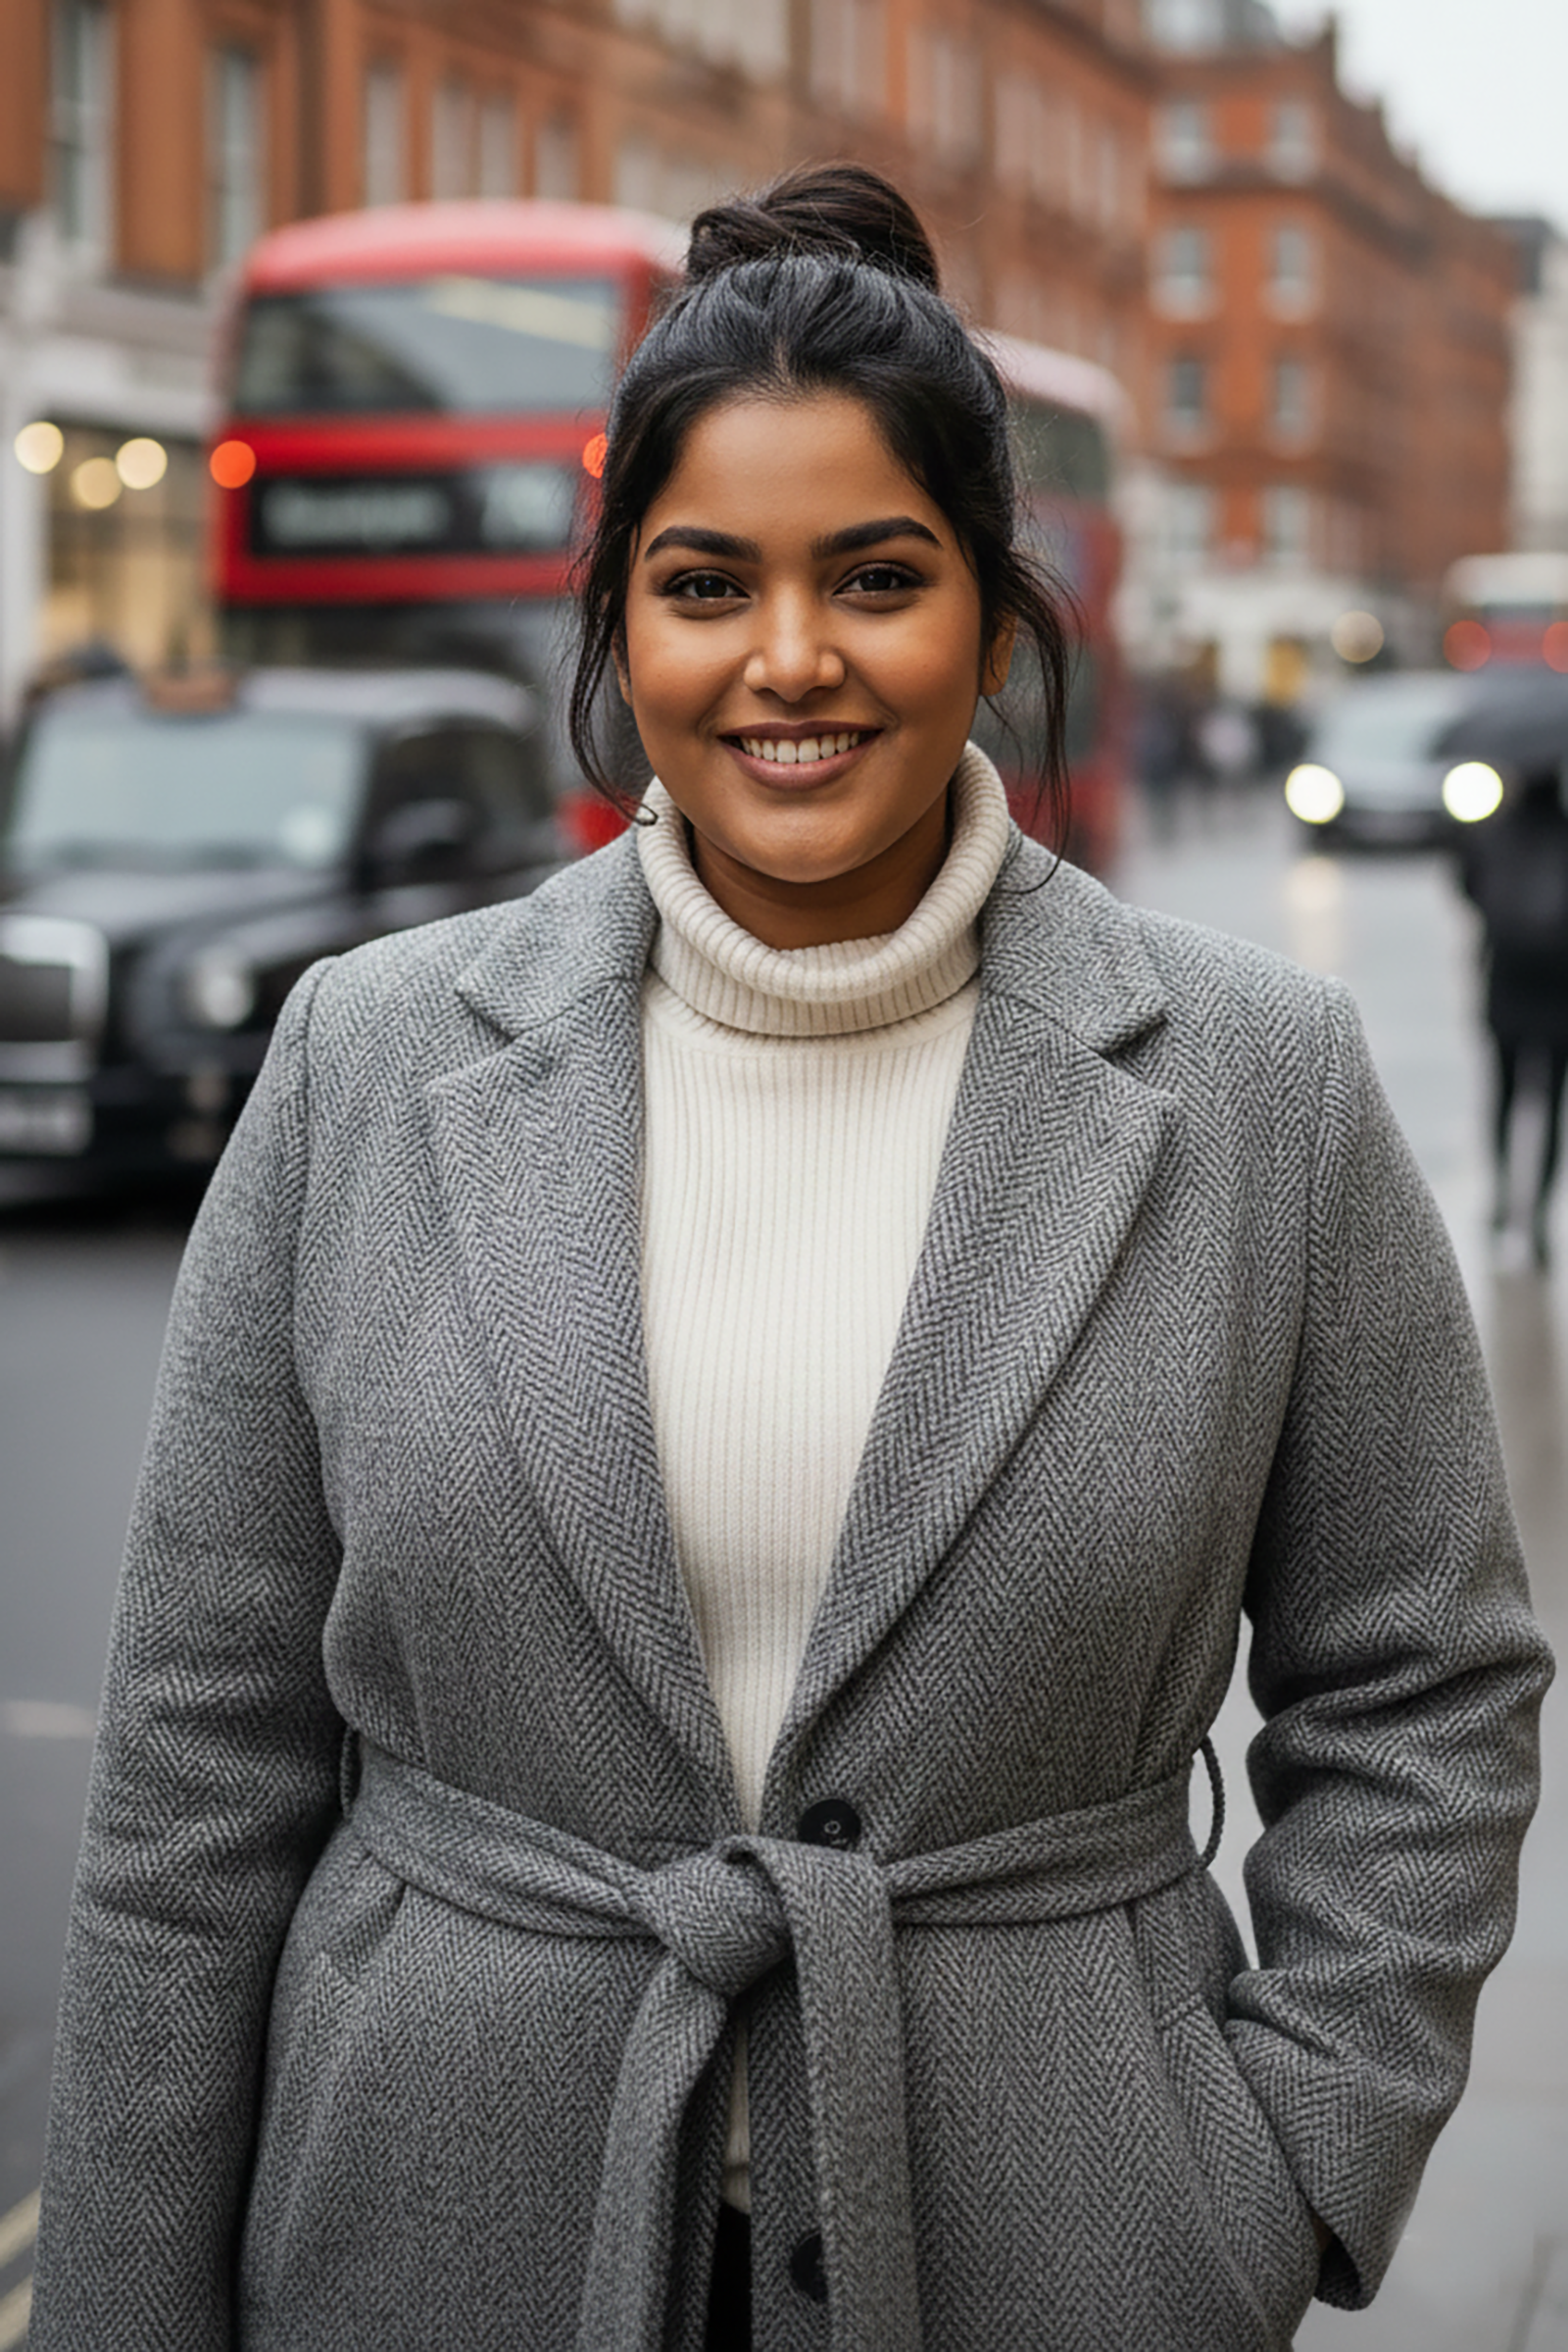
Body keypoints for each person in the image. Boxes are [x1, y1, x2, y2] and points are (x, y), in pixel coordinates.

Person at [32, 165, 1550, 2352]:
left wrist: (1283, 2156)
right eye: (703, 582)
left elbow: (1423, 1676)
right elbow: (195, 1772)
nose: (788, 659)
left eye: (872, 576)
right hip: (426, 2226)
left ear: (993, 618)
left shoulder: (1256, 1087)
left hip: (1062, 2242)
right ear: (618, 629)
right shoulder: (363, 1064)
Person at [1460, 762, 1568, 1266]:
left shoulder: (1495, 832)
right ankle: (1540, 1214)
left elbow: (1470, 891)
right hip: (1560, 985)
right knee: (1552, 1104)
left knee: (1503, 1092)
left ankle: (1503, 1194)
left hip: (1507, 977)